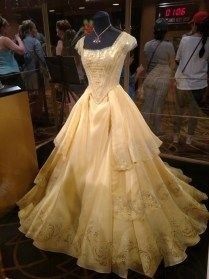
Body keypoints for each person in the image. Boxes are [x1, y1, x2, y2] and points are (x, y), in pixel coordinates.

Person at [17, 11, 209, 279]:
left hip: (114, 107)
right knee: (75, 164)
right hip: (88, 106)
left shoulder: (126, 39)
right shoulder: (81, 42)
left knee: (125, 164)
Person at [174, 11, 209, 145]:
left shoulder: (185, 40)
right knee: (193, 114)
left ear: (194, 24)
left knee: (179, 111)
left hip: (183, 83)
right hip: (199, 85)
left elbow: (177, 59)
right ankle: (189, 139)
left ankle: (176, 136)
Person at [140, 18, 175, 135]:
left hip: (150, 76)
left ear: (154, 30)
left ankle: (144, 129)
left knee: (147, 105)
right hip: (162, 78)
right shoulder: (169, 46)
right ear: (165, 31)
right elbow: (172, 62)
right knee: (158, 106)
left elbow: (147, 59)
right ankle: (157, 129)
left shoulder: (147, 45)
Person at [20, 20, 48, 120]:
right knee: (39, 96)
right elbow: (42, 57)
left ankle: (31, 118)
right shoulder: (35, 41)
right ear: (30, 30)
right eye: (35, 28)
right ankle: (37, 117)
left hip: (25, 73)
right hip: (36, 73)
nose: (36, 30)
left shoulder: (22, 42)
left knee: (30, 97)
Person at [0, 16, 25, 89]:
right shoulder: (4, 39)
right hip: (12, 74)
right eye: (7, 26)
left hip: (2, 75)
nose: (9, 28)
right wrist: (18, 38)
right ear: (2, 28)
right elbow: (22, 51)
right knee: (20, 97)